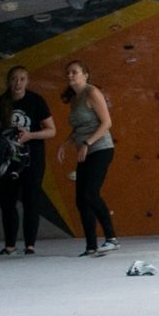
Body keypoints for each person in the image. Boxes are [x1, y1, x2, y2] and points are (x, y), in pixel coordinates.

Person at [0, 65, 54, 256]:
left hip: (32, 158)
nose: (18, 83)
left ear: (27, 81)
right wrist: (4, 136)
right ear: (9, 81)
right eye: (14, 79)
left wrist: (30, 135)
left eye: (22, 79)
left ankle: (30, 245)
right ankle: (10, 245)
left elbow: (51, 130)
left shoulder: (36, 101)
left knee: (31, 200)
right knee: (7, 201)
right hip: (8, 160)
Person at [59, 60, 118, 256]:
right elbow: (79, 128)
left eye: (74, 72)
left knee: (91, 193)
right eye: (68, 72)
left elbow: (106, 122)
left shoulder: (92, 93)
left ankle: (111, 238)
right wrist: (66, 143)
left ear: (85, 75)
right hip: (85, 149)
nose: (70, 75)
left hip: (100, 148)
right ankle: (91, 245)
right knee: (81, 199)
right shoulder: (75, 99)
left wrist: (87, 143)